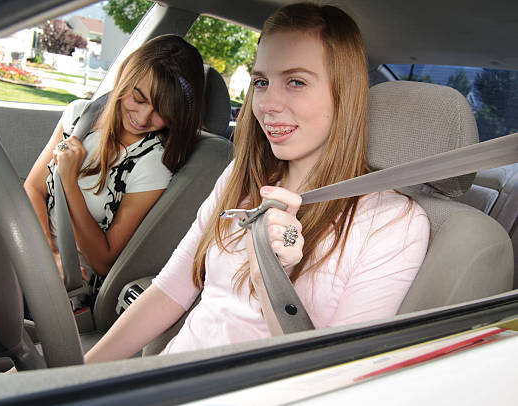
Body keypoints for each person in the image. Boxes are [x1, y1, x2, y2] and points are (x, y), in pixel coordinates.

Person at [85, 3, 430, 363]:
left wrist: (273, 279)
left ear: (344, 94)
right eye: (261, 82)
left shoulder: (393, 223)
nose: (267, 104)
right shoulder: (242, 177)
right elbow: (170, 290)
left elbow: (335, 373)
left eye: (295, 82)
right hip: (164, 379)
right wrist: (73, 378)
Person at [24, 35, 205, 281]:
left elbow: (104, 261)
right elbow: (33, 188)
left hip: (73, 277)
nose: (142, 119)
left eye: (162, 112)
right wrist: (48, 253)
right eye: (138, 99)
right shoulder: (80, 117)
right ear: (124, 78)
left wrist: (69, 182)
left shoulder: (153, 164)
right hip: (34, 248)